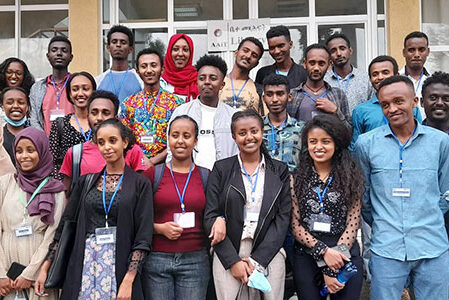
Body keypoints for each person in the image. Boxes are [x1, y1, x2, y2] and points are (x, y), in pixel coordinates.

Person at [35, 119, 153, 299]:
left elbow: (143, 236)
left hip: (120, 265)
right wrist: (46, 266)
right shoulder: (85, 182)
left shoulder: (140, 184)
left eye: (112, 140)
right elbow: (67, 226)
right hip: (85, 264)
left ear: (125, 142)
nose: (107, 147)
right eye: (101, 142)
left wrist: (129, 279)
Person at [355, 76, 449, 300]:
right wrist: (384, 222)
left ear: (415, 101)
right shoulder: (366, 144)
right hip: (387, 248)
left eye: (399, 101)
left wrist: (427, 217)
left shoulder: (440, 142)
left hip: (432, 246)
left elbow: (446, 192)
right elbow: (364, 197)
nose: (392, 109)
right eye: (385, 105)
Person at [204, 109, 291, 300]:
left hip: (269, 252)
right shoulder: (221, 169)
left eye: (254, 131)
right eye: (242, 133)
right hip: (229, 251)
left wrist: (257, 260)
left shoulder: (280, 171)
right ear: (234, 137)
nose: (249, 137)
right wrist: (233, 262)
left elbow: (283, 219)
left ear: (262, 132)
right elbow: (210, 215)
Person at [291, 114, 364, 299]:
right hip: (308, 253)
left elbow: (353, 223)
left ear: (336, 144)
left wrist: (335, 261)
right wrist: (324, 253)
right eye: (313, 141)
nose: (319, 147)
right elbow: (295, 225)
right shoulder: (296, 178)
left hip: (344, 254)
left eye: (326, 141)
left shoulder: (351, 176)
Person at [142, 115, 214, 300]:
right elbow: (137, 218)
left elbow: (215, 214)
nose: (180, 141)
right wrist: (159, 228)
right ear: (168, 139)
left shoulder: (206, 176)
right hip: (157, 258)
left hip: (195, 260)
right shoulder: (153, 175)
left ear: (195, 140)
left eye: (186, 136)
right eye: (175, 135)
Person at [0, 127, 65, 300]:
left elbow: (52, 235)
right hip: (7, 273)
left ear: (42, 151)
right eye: (19, 151)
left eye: (31, 150)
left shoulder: (55, 189)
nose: (24, 156)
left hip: (38, 275)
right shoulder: (5, 183)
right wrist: (1, 274)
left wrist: (29, 274)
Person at [59, 90, 146, 193]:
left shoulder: (131, 150)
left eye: (106, 113)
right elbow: (67, 194)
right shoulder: (75, 153)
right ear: (88, 116)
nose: (99, 118)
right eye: (94, 113)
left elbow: (141, 190)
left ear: (115, 118)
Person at [168, 55, 239, 171]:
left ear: (222, 84)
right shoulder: (182, 112)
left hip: (224, 180)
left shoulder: (233, 116)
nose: (207, 82)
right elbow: (171, 151)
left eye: (213, 78)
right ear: (196, 82)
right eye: (202, 78)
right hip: (191, 180)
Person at [120, 48, 183, 165]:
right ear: (138, 72)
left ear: (162, 69)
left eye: (153, 65)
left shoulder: (176, 103)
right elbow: (124, 137)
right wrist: (142, 159)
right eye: (144, 66)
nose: (149, 70)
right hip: (136, 166)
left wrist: (153, 161)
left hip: (167, 165)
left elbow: (180, 137)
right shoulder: (128, 104)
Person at [351, 55, 422, 150]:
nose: (380, 77)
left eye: (385, 72)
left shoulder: (410, 106)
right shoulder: (360, 111)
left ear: (397, 75)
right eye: (375, 74)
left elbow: (421, 139)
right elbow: (355, 147)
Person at [287, 44, 351, 128]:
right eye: (312, 63)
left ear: (329, 65)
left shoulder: (338, 94)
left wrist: (335, 111)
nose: (316, 68)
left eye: (321, 63)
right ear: (305, 63)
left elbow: (349, 131)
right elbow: (286, 129)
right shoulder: (293, 95)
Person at [49, 72, 96, 181]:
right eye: (75, 89)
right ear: (69, 94)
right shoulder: (60, 124)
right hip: (68, 186)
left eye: (85, 89)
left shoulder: (101, 123)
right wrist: (62, 188)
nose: (80, 93)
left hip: (98, 186)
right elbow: (53, 161)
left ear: (93, 92)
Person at [420, 71, 449, 238]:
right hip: (423, 224)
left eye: (446, 98)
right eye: (433, 98)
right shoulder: (409, 139)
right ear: (423, 102)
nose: (440, 103)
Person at [29, 36, 74, 135]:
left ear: (71, 57)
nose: (59, 53)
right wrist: (44, 142)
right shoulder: (37, 88)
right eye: (54, 50)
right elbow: (34, 119)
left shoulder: (77, 85)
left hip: (74, 146)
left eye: (64, 50)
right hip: (46, 145)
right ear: (48, 56)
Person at [262, 74, 304, 173]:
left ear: (289, 97)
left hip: (292, 185)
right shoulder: (256, 128)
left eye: (280, 94)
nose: (275, 99)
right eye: (269, 94)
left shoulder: (301, 129)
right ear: (264, 98)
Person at [324, 33, 374, 113]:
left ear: (350, 50)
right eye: (333, 51)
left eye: (342, 48)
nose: (339, 53)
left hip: (360, 125)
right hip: (331, 125)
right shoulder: (324, 81)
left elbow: (372, 109)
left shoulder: (365, 79)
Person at [96, 25, 143, 102]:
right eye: (114, 42)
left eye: (123, 42)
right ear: (108, 47)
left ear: (130, 49)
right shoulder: (98, 81)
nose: (118, 45)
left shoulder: (140, 80)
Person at [219, 37, 265, 113]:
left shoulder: (259, 90)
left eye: (254, 55)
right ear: (236, 53)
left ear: (256, 64)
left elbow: (264, 119)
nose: (248, 56)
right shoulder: (217, 83)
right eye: (245, 51)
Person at [255, 25, 307, 91]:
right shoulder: (262, 74)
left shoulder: (304, 73)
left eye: (281, 46)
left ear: (290, 44)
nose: (276, 51)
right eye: (272, 48)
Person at [400, 31, 430, 117]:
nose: (416, 54)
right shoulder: (395, 80)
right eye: (411, 50)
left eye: (421, 50)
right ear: (404, 52)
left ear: (428, 52)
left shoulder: (433, 82)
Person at [161, 34, 199, 102]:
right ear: (169, 52)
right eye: (175, 49)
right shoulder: (160, 83)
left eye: (185, 50)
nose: (180, 54)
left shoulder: (198, 80)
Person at [0, 87, 30, 165]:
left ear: (27, 107)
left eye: (21, 102)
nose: (16, 106)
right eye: (10, 103)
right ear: (2, 107)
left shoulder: (36, 136)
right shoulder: (1, 136)